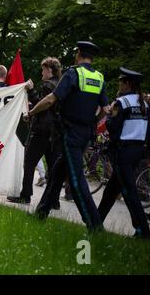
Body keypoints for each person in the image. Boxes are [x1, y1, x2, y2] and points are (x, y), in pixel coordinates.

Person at [28, 41, 109, 233]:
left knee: (76, 179)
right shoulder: (99, 78)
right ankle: (41, 213)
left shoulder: (73, 74)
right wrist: (92, 123)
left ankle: (95, 226)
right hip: (86, 134)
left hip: (70, 133)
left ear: (79, 53)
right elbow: (105, 110)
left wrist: (31, 113)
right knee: (56, 174)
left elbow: (50, 99)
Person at [98, 67, 150, 240]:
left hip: (123, 152)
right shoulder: (144, 104)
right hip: (138, 151)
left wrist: (108, 117)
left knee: (129, 192)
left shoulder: (121, 103)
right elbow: (149, 133)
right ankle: (95, 222)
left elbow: (114, 129)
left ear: (127, 84)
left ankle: (143, 231)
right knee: (111, 190)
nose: (119, 85)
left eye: (121, 82)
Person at [7, 57, 62, 208]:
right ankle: (54, 201)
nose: (42, 72)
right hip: (56, 132)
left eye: (43, 69)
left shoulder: (48, 85)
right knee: (53, 167)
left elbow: (42, 103)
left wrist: (31, 91)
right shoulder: (62, 85)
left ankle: (25, 196)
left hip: (42, 130)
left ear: (50, 69)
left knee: (30, 162)